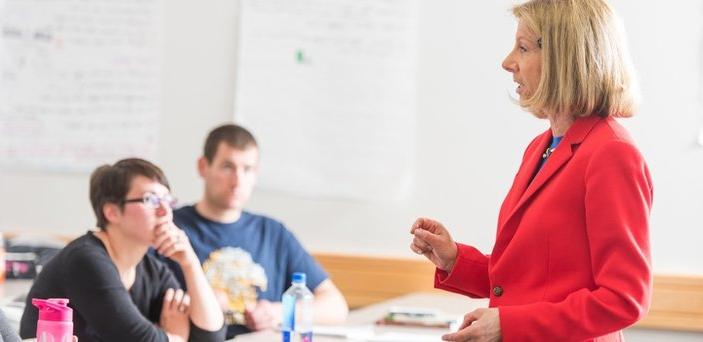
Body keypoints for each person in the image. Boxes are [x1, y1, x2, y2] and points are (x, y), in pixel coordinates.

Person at [410, 0, 652, 341]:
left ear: (564, 60)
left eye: (522, 48)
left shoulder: (612, 154)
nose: (508, 63)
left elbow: (624, 299)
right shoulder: (543, 146)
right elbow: (530, 280)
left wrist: (508, 325)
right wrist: (454, 260)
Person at [163, 124, 348, 339]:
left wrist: (277, 312)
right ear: (203, 167)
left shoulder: (273, 233)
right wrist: (200, 304)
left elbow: (336, 305)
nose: (237, 181)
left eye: (247, 169)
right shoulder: (171, 228)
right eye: (227, 167)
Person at [19, 158, 225, 342]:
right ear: (112, 212)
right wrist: (178, 337)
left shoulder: (152, 269)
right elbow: (138, 339)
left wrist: (190, 263)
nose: (165, 211)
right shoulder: (85, 260)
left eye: (168, 200)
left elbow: (210, 337)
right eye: (150, 200)